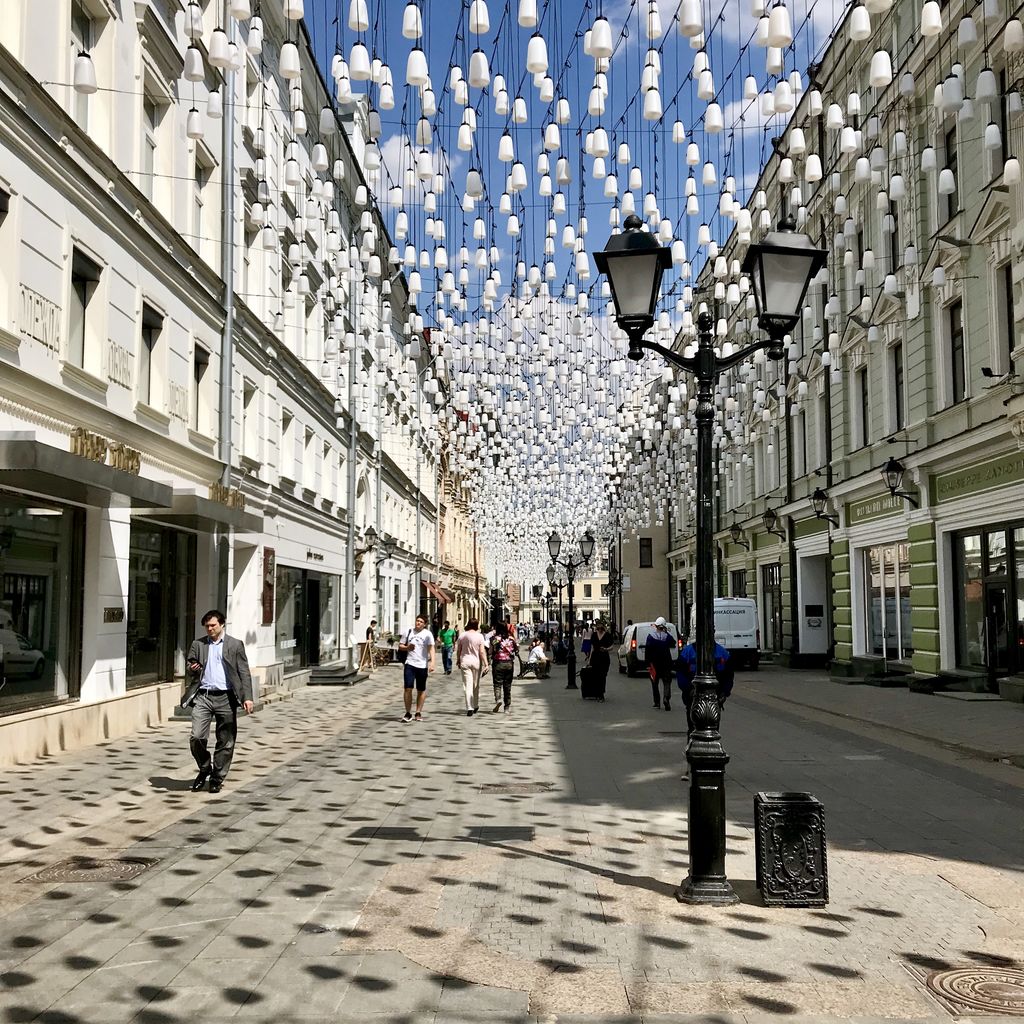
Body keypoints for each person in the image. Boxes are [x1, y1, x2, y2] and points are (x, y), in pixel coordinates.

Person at [182, 610, 254, 793]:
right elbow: (189, 668)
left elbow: (243, 672)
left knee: (226, 740)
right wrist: (193, 667)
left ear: (222, 624)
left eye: (213, 625)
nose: (210, 629)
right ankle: (205, 767)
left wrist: (248, 697)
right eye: (207, 626)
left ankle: (217, 777)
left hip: (226, 697)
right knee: (196, 736)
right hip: (204, 696)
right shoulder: (198, 644)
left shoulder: (235, 645)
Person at [676, 641, 734, 737]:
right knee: (695, 727)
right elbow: (681, 674)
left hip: (713, 696)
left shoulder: (721, 652)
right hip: (695, 696)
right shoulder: (688, 652)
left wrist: (724, 692)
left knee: (710, 728)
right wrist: (689, 690)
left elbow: (728, 675)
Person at [398, 614, 435, 722]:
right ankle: (408, 712)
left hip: (422, 665)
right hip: (409, 664)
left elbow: (431, 648)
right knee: (407, 688)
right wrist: (407, 647)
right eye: (417, 620)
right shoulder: (408, 632)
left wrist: (432, 663)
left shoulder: (427, 634)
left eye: (421, 622)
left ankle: (418, 712)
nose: (418, 623)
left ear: (425, 624)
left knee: (421, 689)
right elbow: (400, 646)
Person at [455, 618, 488, 716]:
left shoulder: (462, 635)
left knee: (467, 685)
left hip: (465, 661)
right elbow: (482, 652)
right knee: (475, 685)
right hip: (476, 662)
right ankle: (475, 705)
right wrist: (486, 663)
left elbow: (458, 650)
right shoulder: (479, 636)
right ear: (477, 625)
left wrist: (458, 659)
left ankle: (469, 707)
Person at [645, 616, 676, 711]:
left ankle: (657, 702)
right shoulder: (667, 637)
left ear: (656, 626)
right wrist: (666, 632)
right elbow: (673, 643)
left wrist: (647, 664)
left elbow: (647, 651)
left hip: (654, 664)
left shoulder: (651, 636)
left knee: (655, 683)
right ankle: (666, 698)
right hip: (666, 663)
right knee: (667, 682)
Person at [490, 622, 517, 713]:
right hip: (509, 663)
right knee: (507, 685)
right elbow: (516, 650)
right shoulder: (511, 639)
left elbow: (491, 650)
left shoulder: (495, 639)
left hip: (498, 663)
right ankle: (507, 708)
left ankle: (498, 699)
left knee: (497, 683)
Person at [584, 620, 615, 701]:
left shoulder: (607, 635)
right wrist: (589, 659)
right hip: (595, 657)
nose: (600, 630)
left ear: (603, 628)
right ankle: (599, 694)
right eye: (598, 628)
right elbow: (592, 648)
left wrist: (606, 649)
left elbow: (612, 646)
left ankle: (601, 693)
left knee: (603, 675)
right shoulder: (594, 635)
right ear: (596, 628)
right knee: (596, 676)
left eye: (601, 628)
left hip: (604, 658)